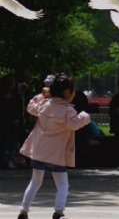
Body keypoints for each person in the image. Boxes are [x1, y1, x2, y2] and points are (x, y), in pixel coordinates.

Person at [18, 73, 91, 219]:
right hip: (56, 154)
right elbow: (74, 124)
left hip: (39, 151)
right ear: (67, 92)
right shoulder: (67, 109)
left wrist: (41, 95)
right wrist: (85, 116)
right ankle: (58, 212)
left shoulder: (45, 103)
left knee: (35, 181)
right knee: (62, 184)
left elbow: (31, 108)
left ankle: (23, 210)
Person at [0, 74, 24, 169]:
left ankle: (13, 161)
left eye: (12, 82)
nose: (11, 84)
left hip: (14, 123)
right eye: (9, 82)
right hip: (2, 123)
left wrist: (18, 119)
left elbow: (19, 111)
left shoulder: (17, 97)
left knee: (14, 143)